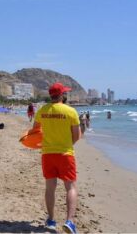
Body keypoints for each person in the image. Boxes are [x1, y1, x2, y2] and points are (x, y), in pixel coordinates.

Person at [32, 82, 81, 233]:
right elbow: (77, 136)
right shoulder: (70, 111)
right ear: (62, 95)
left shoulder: (42, 110)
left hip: (47, 154)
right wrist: (66, 144)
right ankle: (70, 222)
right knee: (70, 187)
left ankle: (52, 220)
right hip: (65, 154)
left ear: (51, 95)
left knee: (50, 188)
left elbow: (35, 131)